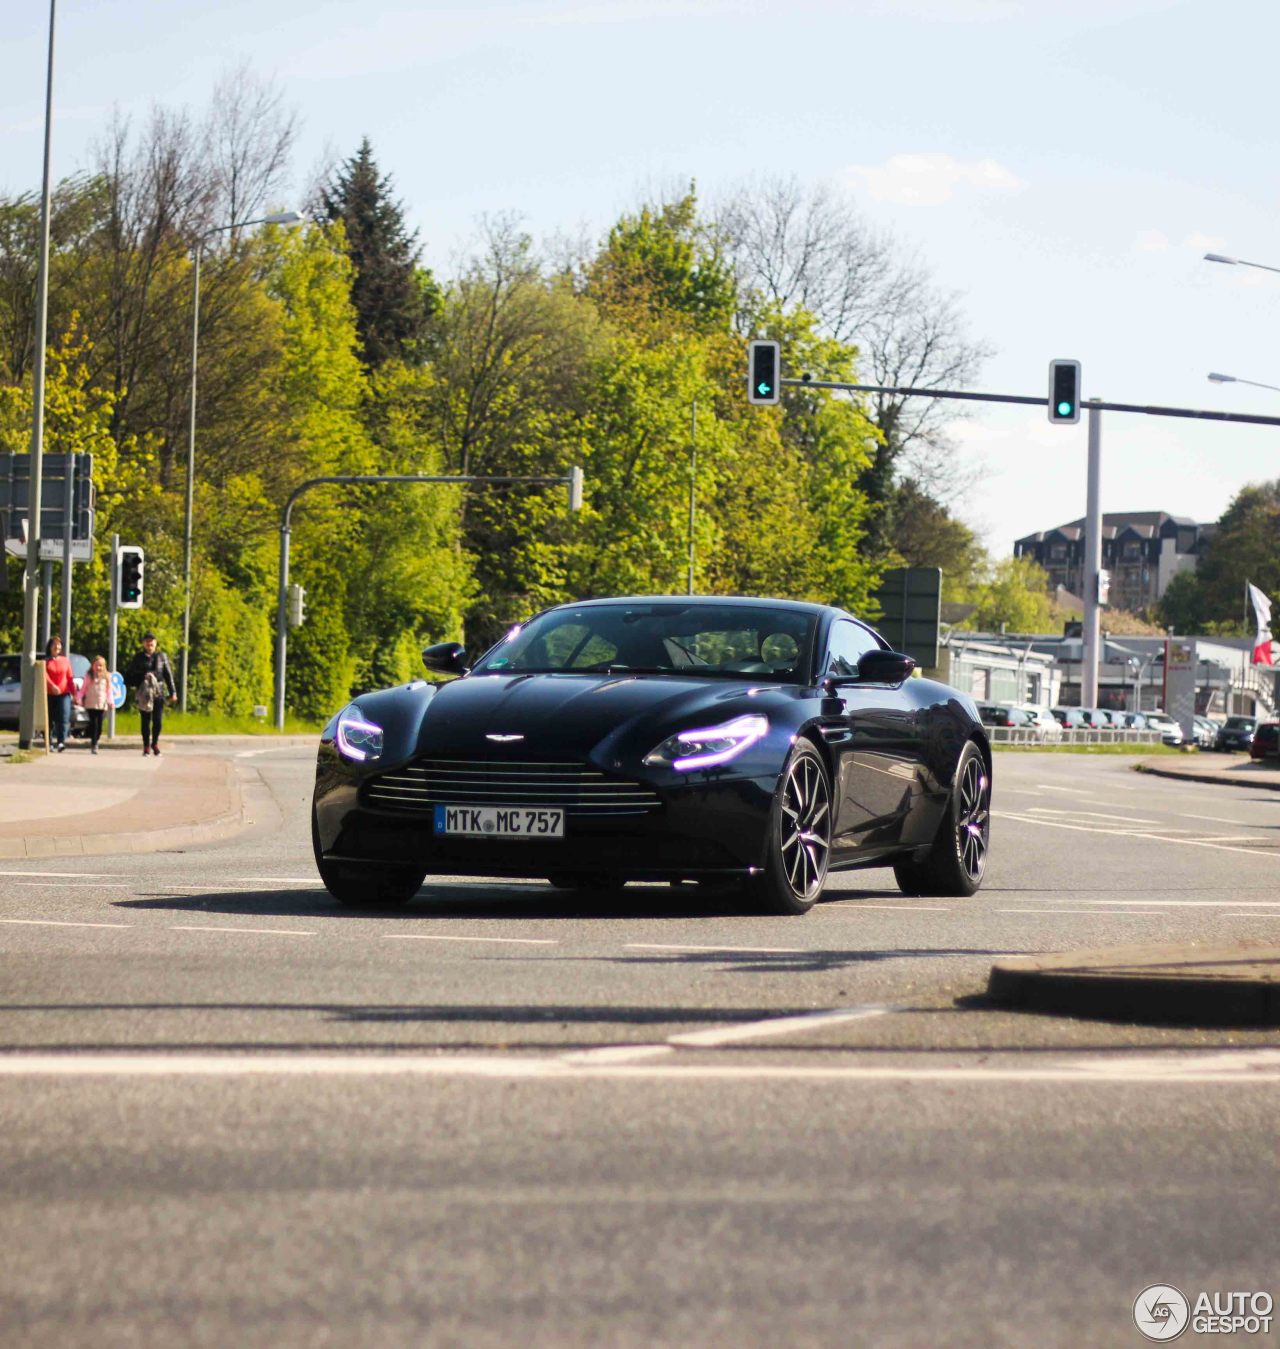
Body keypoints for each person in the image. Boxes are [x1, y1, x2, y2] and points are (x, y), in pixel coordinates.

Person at [125, 632, 176, 756]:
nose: (150, 643)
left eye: (152, 641)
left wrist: (173, 692)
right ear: (144, 643)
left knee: (157, 721)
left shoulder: (162, 656)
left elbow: (168, 675)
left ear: (155, 643)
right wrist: (141, 678)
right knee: (145, 720)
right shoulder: (138, 657)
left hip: (158, 691)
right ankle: (146, 746)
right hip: (144, 692)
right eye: (147, 641)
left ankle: (155, 744)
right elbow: (130, 674)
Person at [43, 635, 74, 752]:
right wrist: (52, 685)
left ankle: (61, 741)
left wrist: (75, 694)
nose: (57, 646)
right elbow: (44, 675)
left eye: (59, 644)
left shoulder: (65, 660)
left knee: (63, 717)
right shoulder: (46, 661)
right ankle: (49, 742)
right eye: (54, 644)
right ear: (50, 646)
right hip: (49, 694)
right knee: (49, 718)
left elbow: (70, 677)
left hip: (64, 694)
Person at [77, 655, 111, 755]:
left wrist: (110, 701)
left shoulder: (107, 677)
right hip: (91, 703)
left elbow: (109, 691)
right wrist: (79, 698)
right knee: (94, 723)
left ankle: (96, 738)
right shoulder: (89, 676)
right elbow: (83, 689)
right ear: (92, 666)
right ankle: (94, 743)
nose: (98, 668)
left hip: (101, 704)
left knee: (99, 726)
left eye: (101, 666)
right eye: (96, 665)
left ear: (104, 666)